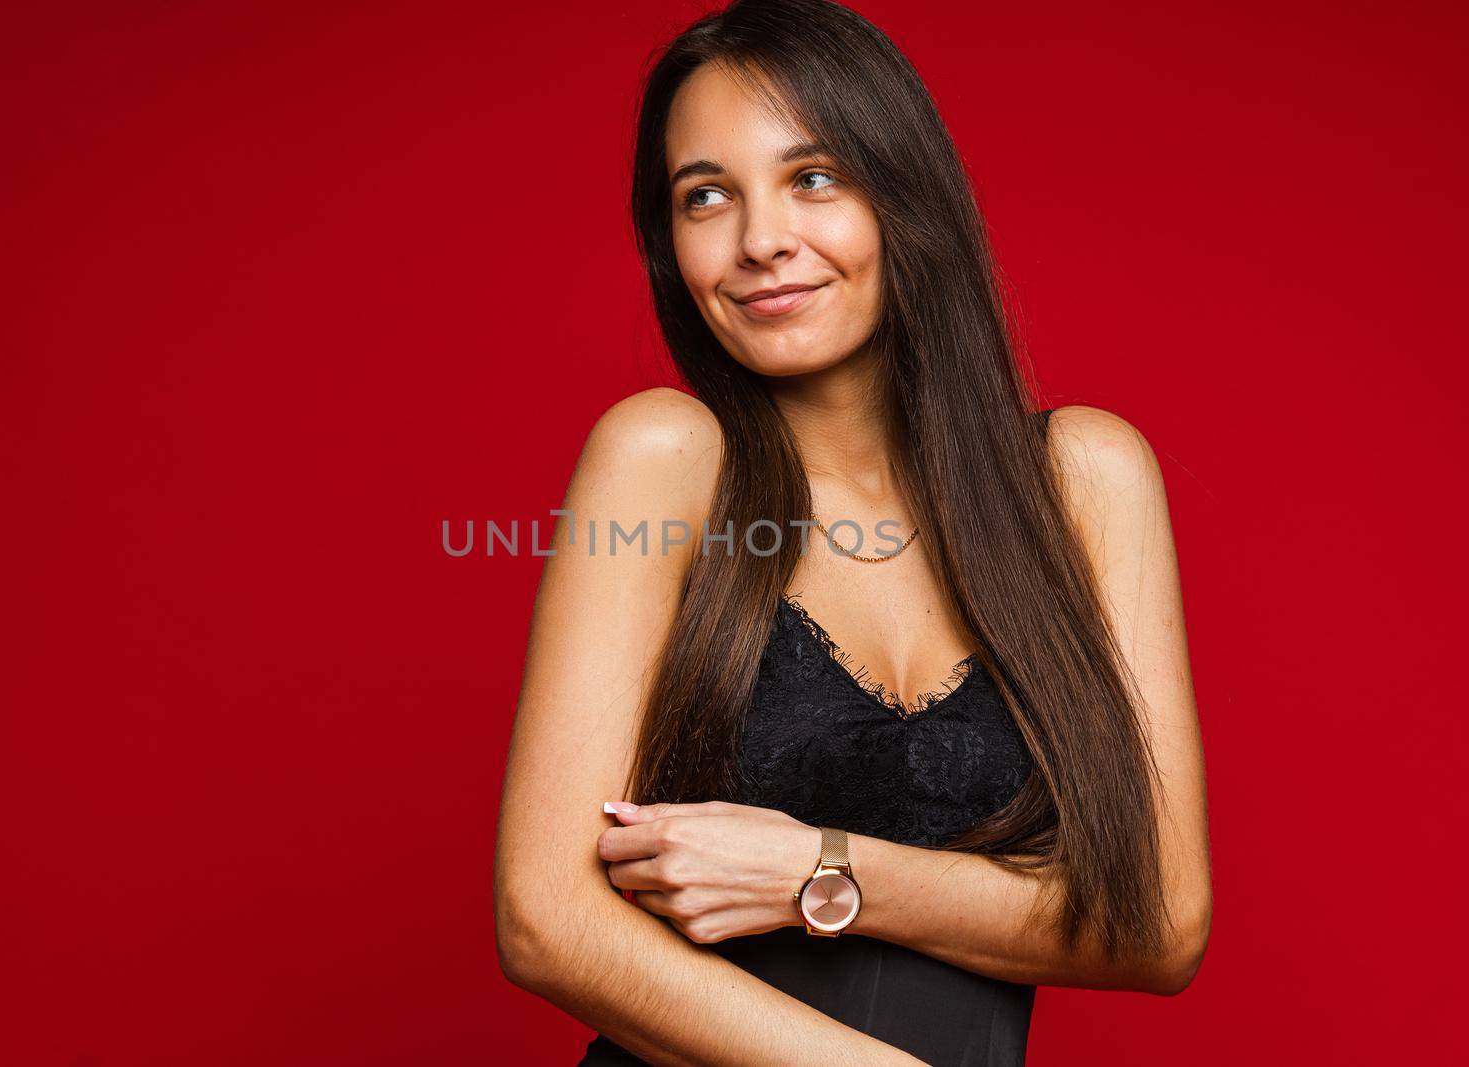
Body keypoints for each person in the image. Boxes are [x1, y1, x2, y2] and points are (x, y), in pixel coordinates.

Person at [493, 0, 1212, 1062]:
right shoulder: (666, 458)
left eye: (813, 178)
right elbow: (545, 918)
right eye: (706, 197)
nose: (761, 240)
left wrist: (815, 871)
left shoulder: (1085, 481)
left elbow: (1155, 924)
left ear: (902, 194)